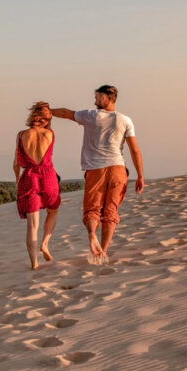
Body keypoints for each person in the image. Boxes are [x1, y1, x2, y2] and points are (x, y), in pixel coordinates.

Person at [51, 85, 144, 263]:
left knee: (93, 209)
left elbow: (66, 113)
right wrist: (140, 175)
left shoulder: (91, 115)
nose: (95, 99)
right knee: (111, 211)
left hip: (96, 170)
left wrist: (48, 110)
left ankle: (93, 234)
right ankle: (103, 252)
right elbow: (134, 150)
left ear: (107, 97)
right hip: (118, 169)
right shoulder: (126, 120)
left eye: (98, 96)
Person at [14, 101, 61, 270]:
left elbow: (16, 163)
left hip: (29, 177)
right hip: (48, 175)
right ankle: (45, 243)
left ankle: (34, 264)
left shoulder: (21, 135)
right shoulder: (51, 134)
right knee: (53, 210)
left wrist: (17, 179)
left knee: (32, 225)